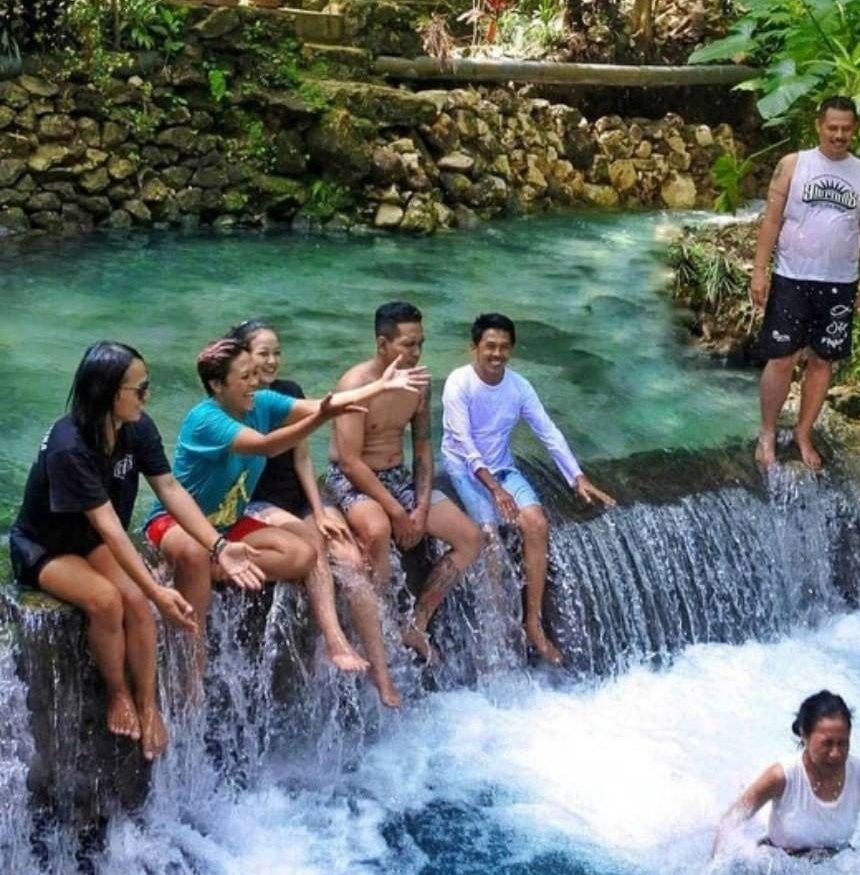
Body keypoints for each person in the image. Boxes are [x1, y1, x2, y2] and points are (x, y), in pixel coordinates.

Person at [8, 341, 263, 760]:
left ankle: (148, 706)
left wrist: (219, 545)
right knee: (108, 601)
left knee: (139, 604)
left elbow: (169, 488)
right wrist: (159, 589)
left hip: (92, 542)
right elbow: (109, 525)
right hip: (45, 548)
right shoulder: (69, 446)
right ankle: (118, 695)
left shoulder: (137, 427)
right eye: (140, 389)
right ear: (110, 394)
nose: (148, 396)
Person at [144, 336, 430, 682]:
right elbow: (265, 446)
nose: (254, 382)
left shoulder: (262, 402)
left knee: (303, 554)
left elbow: (322, 403)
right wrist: (322, 417)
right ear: (217, 385)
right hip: (179, 523)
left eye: (254, 374)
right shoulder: (207, 419)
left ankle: (216, 566)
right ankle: (195, 652)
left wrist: (378, 387)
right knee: (193, 567)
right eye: (244, 377)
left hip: (228, 524)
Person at [229, 320, 402, 707]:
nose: (272, 360)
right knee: (315, 551)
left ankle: (380, 669)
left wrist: (320, 508)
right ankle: (334, 640)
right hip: (258, 504)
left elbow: (302, 456)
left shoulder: (287, 392)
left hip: (298, 498)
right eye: (262, 353)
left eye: (276, 352)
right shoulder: (234, 403)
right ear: (241, 357)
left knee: (351, 559)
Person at [440, 313, 615, 666]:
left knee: (536, 523)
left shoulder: (519, 387)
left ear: (512, 350)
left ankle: (532, 622)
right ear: (474, 347)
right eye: (490, 346)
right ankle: (495, 630)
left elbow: (548, 431)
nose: (497, 353)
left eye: (504, 347)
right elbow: (464, 443)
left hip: (503, 469)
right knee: (489, 537)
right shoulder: (459, 384)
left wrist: (577, 477)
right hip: (463, 469)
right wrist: (494, 490)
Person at [326, 302, 485, 664]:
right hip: (354, 479)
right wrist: (399, 512)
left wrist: (422, 506)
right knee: (378, 530)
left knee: (470, 538)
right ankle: (376, 630)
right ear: (383, 345)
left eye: (420, 344)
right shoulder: (355, 385)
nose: (416, 353)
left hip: (397, 476)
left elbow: (424, 448)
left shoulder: (420, 384)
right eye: (407, 345)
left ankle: (417, 621)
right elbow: (350, 462)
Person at [750, 96, 860, 471]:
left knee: (823, 361)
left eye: (846, 129)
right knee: (782, 358)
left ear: (854, 130)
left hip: (839, 283)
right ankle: (768, 433)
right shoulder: (793, 165)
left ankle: (803, 433)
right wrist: (759, 270)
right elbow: (771, 221)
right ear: (819, 125)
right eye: (832, 127)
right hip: (792, 276)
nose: (839, 135)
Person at [714, 690, 860, 857]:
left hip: (836, 867)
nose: (836, 753)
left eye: (842, 743)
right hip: (778, 869)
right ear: (805, 735)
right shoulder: (781, 776)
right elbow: (729, 822)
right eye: (827, 744)